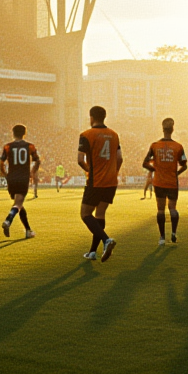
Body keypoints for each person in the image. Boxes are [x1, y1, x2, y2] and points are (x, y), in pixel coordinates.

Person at [78, 106, 120, 262]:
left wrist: (89, 171)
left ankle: (106, 240)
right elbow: (120, 158)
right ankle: (92, 252)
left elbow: (80, 160)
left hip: (96, 181)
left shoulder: (86, 135)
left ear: (91, 117)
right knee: (100, 214)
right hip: (111, 181)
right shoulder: (114, 135)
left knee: (85, 214)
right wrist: (113, 172)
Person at [142, 118, 188, 245]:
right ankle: (173, 233)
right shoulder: (178, 147)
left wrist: (155, 169)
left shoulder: (155, 146)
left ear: (162, 129)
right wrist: (176, 173)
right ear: (173, 130)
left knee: (160, 210)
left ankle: (162, 237)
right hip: (172, 182)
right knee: (173, 208)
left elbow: (145, 163)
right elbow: (184, 165)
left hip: (159, 182)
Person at [0, 124, 39, 239]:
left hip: (11, 179)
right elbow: (37, 161)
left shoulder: (7, 146)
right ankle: (8, 220)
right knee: (18, 204)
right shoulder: (30, 146)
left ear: (13, 134)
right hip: (23, 178)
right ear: (24, 134)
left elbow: (1, 162)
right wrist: (32, 172)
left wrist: (5, 174)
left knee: (19, 204)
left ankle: (28, 230)